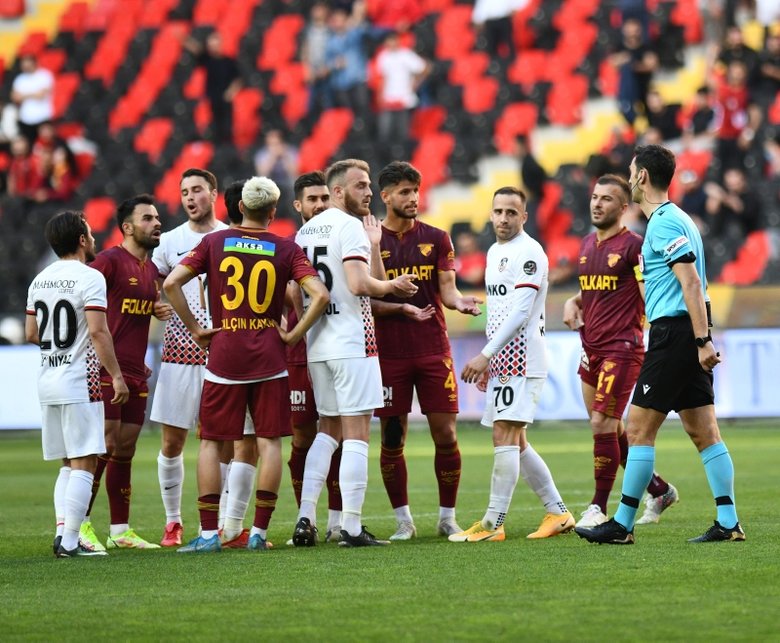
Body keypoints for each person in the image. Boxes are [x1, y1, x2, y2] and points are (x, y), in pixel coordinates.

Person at [575, 144, 744, 545]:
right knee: (703, 431)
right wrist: (702, 336)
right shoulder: (681, 219)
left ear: (642, 178)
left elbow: (689, 282)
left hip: (674, 334)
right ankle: (728, 521)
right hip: (686, 333)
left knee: (636, 429)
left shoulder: (664, 224)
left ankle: (622, 523)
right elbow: (695, 284)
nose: (630, 178)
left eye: (632, 172)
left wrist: (702, 340)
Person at [165, 176, 330, 553]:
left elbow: (172, 283)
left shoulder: (213, 242)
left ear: (239, 206)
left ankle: (209, 534)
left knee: (211, 442)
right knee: (269, 442)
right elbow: (319, 295)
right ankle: (257, 532)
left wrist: (195, 328)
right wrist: (293, 335)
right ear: (273, 212)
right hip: (270, 356)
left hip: (224, 354)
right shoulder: (285, 248)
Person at [292, 158, 418, 548]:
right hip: (352, 344)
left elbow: (297, 294)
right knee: (358, 434)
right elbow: (360, 284)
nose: (367, 192)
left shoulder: (305, 232)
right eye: (360, 185)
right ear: (338, 192)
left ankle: (305, 518)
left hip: (319, 345)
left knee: (327, 432)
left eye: (368, 185)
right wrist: (392, 285)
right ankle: (350, 525)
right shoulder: (351, 229)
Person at [450, 187, 575, 542]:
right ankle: (558, 512)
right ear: (490, 215)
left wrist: (485, 354)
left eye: (511, 212)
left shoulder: (530, 252)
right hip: (504, 356)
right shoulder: (494, 251)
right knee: (516, 440)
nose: (503, 218)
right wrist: (492, 355)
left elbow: (521, 311)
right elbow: (502, 309)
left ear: (524, 216)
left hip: (523, 356)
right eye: (498, 211)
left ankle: (493, 524)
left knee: (503, 434)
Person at [373, 161, 482, 540]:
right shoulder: (370, 241)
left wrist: (460, 302)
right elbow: (363, 296)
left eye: (415, 191)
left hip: (433, 349)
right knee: (391, 438)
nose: (412, 198)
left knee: (446, 435)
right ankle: (404, 520)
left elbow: (448, 290)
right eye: (404, 191)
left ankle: (447, 516)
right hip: (387, 352)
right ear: (385, 196)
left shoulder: (437, 238)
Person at [563, 174, 678, 529]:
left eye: (607, 199)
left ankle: (598, 506)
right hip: (590, 347)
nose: (598, 204)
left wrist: (661, 331)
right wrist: (572, 300)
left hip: (623, 348)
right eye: (595, 197)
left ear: (623, 208)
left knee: (603, 422)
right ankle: (658, 489)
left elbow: (648, 291)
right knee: (609, 429)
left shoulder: (634, 247)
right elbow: (595, 292)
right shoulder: (586, 246)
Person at [25, 211, 129, 557]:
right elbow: (98, 331)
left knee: (68, 463)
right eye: (90, 233)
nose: (95, 238)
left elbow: (30, 333)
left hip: (48, 380)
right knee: (86, 460)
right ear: (82, 240)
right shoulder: (89, 277)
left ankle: (61, 535)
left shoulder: (38, 280)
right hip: (78, 381)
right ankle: (71, 542)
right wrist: (115, 375)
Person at [80, 194, 172, 551]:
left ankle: (119, 530)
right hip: (106, 369)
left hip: (136, 370)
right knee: (103, 443)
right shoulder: (107, 262)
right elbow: (84, 305)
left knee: (126, 448)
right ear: (128, 227)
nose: (156, 222)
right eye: (148, 218)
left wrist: (155, 310)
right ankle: (81, 523)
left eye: (157, 217)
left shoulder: (150, 271)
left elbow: (130, 307)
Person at [150, 168, 228, 547]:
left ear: (213, 193)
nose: (189, 197)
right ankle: (172, 521)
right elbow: (150, 281)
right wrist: (153, 305)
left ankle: (220, 523)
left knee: (224, 440)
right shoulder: (168, 242)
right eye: (184, 192)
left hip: (225, 351)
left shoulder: (232, 236)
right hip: (181, 351)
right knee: (172, 441)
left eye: (197, 189)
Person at [286, 171, 345, 542]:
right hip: (299, 352)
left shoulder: (338, 233)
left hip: (326, 346)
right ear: (298, 205)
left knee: (335, 434)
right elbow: (290, 292)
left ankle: (336, 521)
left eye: (325, 198)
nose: (320, 205)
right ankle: (304, 517)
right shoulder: (292, 244)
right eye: (313, 199)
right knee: (302, 440)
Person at [182, 31, 243, 143]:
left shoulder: (228, 61)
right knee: (214, 127)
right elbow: (195, 49)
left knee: (226, 127)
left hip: (225, 99)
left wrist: (231, 92)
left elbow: (237, 79)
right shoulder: (208, 60)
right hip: (212, 98)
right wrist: (184, 38)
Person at [11, 54, 54, 145]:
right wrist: (33, 94)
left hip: (42, 117)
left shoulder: (44, 75)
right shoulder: (19, 79)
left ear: (34, 62)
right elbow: (15, 98)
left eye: (27, 62)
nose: (24, 65)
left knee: (46, 145)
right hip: (25, 119)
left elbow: (41, 95)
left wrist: (23, 95)